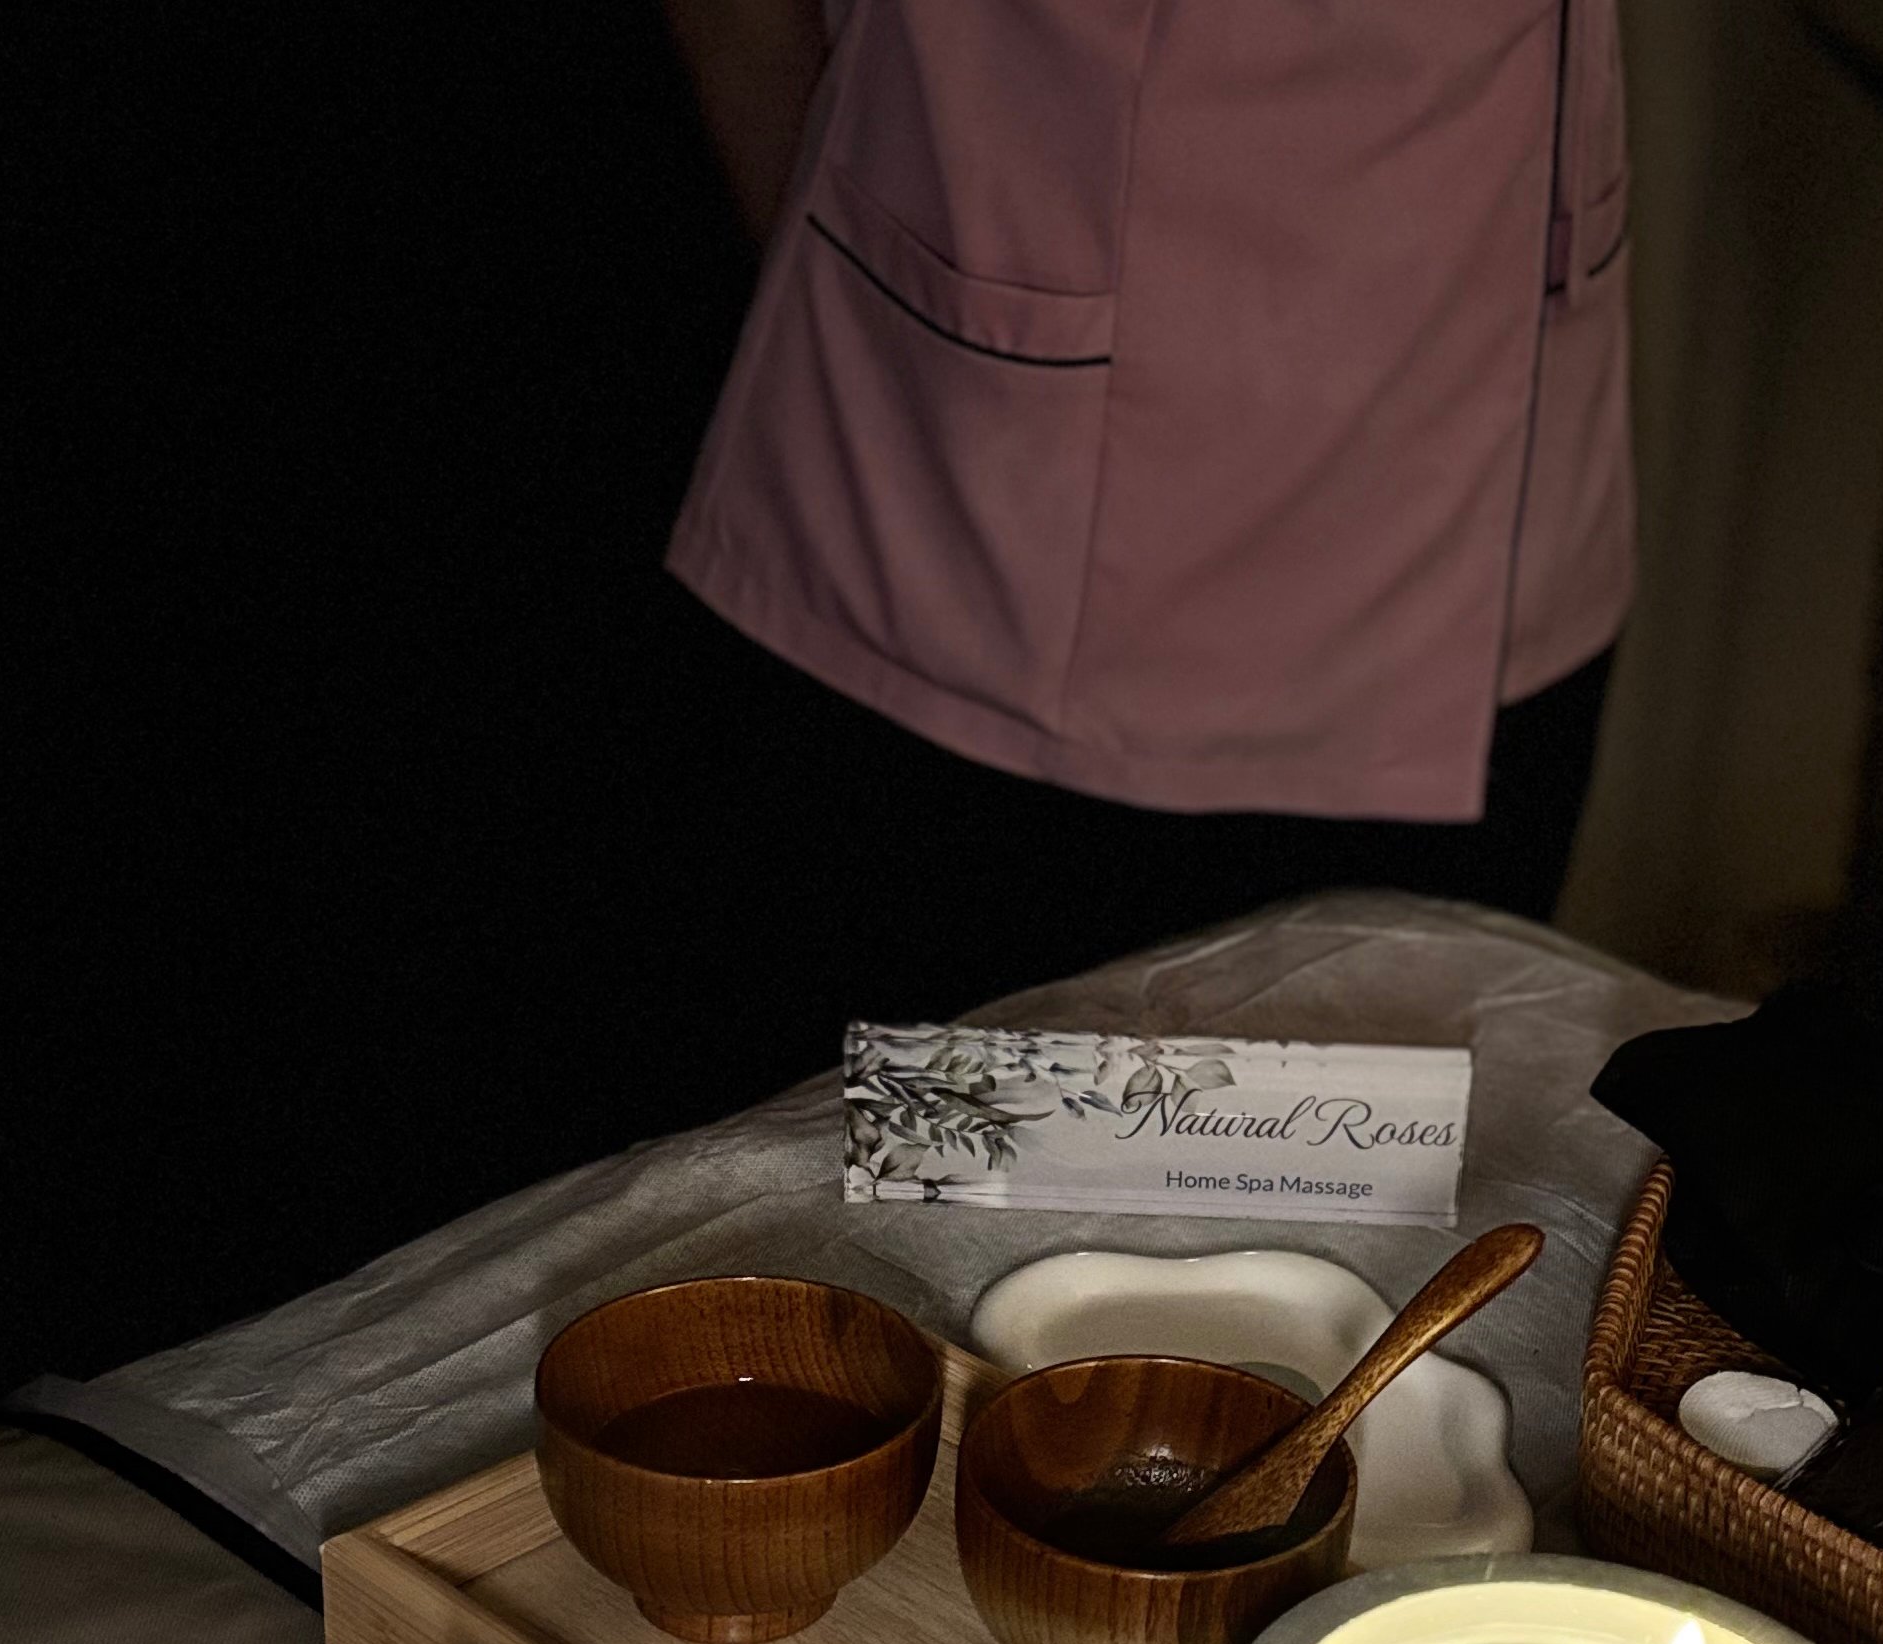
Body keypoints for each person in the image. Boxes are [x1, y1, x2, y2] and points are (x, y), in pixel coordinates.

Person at [660, 0, 1635, 1011]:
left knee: (1449, 1095)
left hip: (1506, 524)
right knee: (942, 1111)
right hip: (979, 570)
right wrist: (867, 293)